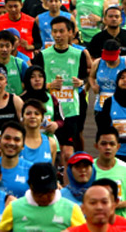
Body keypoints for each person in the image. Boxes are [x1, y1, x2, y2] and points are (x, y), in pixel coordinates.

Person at [32, 16, 89, 163]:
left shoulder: (79, 54)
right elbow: (33, 82)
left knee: (67, 152)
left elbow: (86, 79)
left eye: (62, 31)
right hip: (50, 110)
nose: (58, 35)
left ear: (70, 32)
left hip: (71, 109)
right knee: (51, 151)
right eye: (55, 32)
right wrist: (49, 85)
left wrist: (81, 82)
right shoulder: (43, 56)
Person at [0, 162, 86, 232]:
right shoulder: (14, 208)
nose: (44, 197)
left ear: (56, 186)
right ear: (30, 186)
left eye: (49, 192)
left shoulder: (71, 209)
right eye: (39, 192)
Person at [94, 127, 126, 219]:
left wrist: (121, 204)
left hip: (120, 223)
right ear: (96, 146)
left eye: (112, 144)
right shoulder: (88, 169)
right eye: (103, 144)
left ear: (118, 147)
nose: (108, 148)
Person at [20, 99, 58, 165]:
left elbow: (51, 172)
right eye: (28, 113)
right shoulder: (16, 142)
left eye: (37, 114)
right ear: (22, 117)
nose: (32, 116)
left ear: (42, 118)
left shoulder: (51, 143)